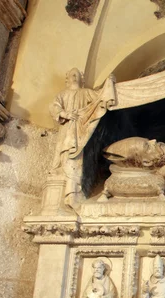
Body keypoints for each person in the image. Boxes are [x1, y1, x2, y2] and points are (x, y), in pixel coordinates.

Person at [49, 68, 99, 207]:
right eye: (72, 75)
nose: (74, 77)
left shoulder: (86, 92)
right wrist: (65, 114)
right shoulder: (62, 94)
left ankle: (74, 193)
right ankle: (64, 185)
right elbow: (54, 106)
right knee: (64, 154)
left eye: (76, 75)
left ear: (81, 78)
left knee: (77, 158)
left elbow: (99, 99)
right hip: (66, 129)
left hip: (82, 131)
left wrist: (109, 85)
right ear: (67, 78)